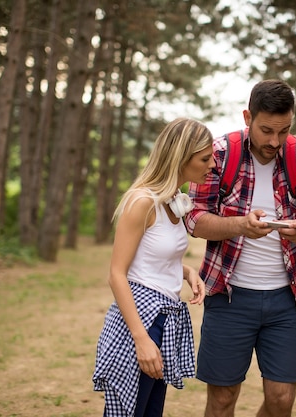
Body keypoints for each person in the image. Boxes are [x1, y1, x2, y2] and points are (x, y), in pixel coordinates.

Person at [184, 79, 296, 417]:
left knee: (281, 400)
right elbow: (194, 220)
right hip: (228, 296)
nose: (274, 141)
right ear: (248, 117)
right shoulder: (219, 155)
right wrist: (241, 225)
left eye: (284, 130)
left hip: (286, 299)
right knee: (222, 400)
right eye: (266, 130)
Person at [92, 118, 215, 417]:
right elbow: (117, 274)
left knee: (150, 411)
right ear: (181, 157)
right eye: (205, 158)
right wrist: (141, 338)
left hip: (164, 318)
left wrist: (186, 271)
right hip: (142, 320)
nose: (212, 164)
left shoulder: (172, 201)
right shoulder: (142, 202)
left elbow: (152, 256)